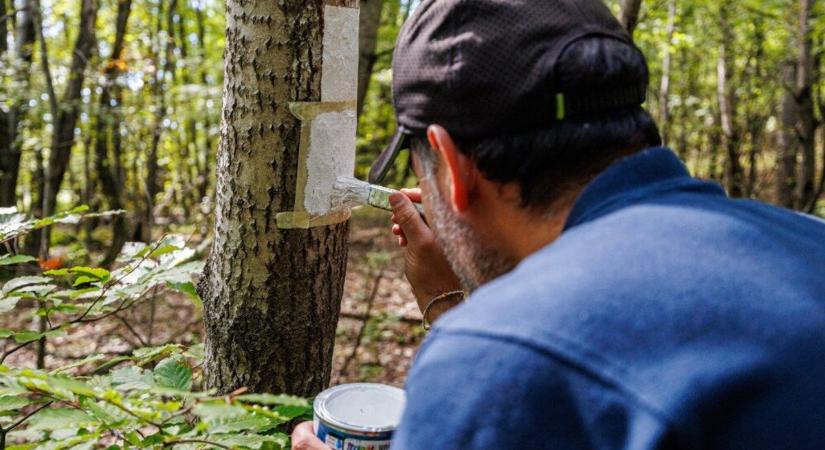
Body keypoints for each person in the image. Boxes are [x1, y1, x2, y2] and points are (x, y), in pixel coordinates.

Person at [293, 0, 825, 448]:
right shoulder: (809, 239)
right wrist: (454, 306)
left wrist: (474, 329)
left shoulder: (496, 358)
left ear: (450, 165)